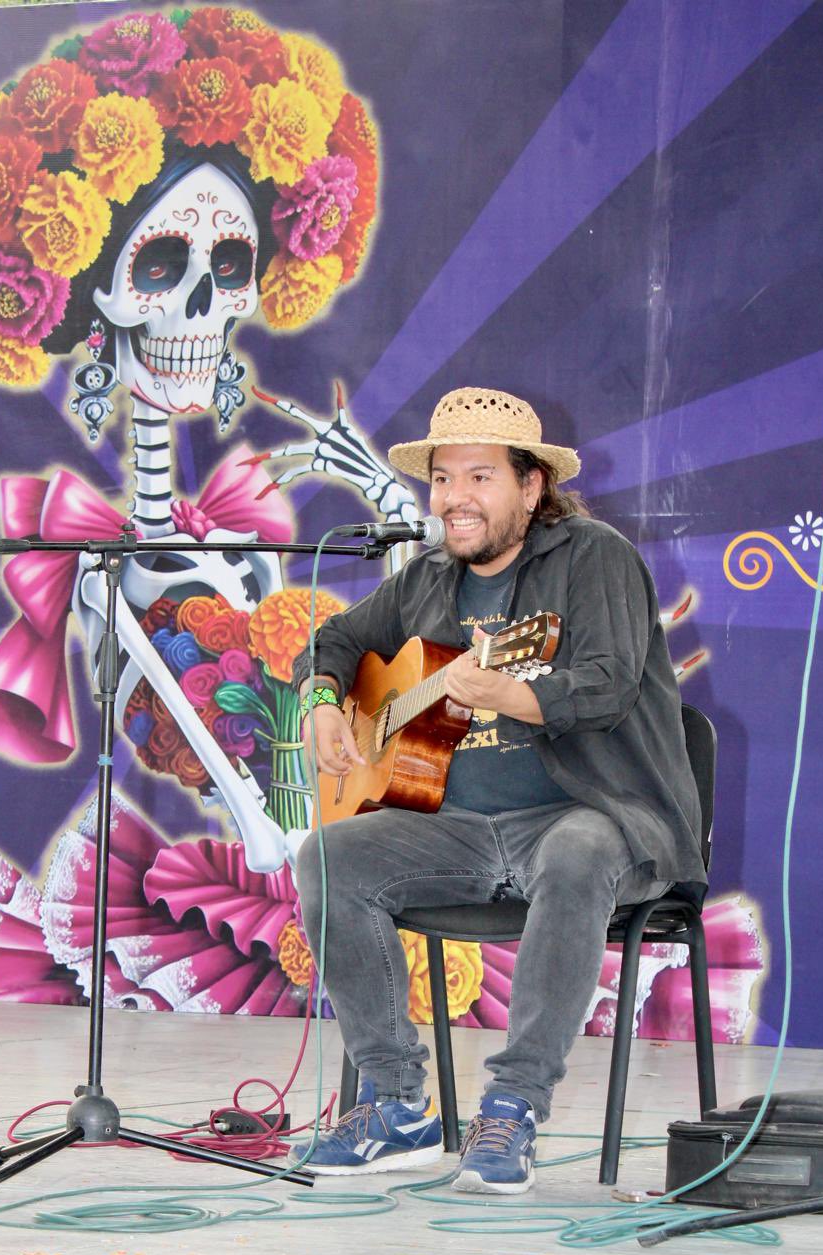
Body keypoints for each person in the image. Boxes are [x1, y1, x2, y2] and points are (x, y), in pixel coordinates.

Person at [289, 387, 706, 1192]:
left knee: (579, 851)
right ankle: (395, 1104)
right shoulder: (427, 578)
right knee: (329, 857)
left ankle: (513, 1106)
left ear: (531, 485)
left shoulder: (595, 559)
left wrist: (509, 693)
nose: (456, 498)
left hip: (596, 816)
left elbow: (608, 686)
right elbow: (335, 638)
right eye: (443, 478)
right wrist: (322, 702)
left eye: (480, 477)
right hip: (462, 829)